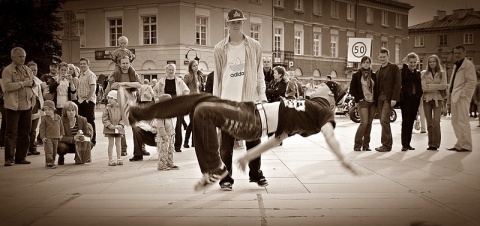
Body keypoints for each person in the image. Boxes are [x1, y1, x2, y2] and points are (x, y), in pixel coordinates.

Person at [127, 83, 358, 191]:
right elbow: (276, 140)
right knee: (199, 101)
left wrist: (343, 159)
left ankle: (214, 169)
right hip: (248, 110)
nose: (314, 86)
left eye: (319, 86)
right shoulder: (308, 110)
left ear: (329, 94)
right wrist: (249, 157)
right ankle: (138, 112)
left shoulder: (324, 111)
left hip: (252, 122)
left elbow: (330, 135)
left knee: (202, 111)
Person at [213, 8, 268, 191]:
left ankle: (255, 174)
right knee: (226, 145)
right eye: (233, 22)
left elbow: (259, 74)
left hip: (248, 101)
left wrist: (262, 97)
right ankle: (226, 179)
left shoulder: (254, 46)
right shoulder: (220, 48)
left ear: (242, 23)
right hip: (227, 102)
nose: (236, 25)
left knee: (254, 140)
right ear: (227, 24)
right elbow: (218, 78)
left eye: (239, 22)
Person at [2, 47, 36, 166]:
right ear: (13, 57)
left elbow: (33, 82)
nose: (23, 59)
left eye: (24, 57)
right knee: (11, 133)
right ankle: (9, 158)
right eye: (20, 56)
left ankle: (21, 157)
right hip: (13, 107)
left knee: (25, 132)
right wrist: (23, 84)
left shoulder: (27, 69)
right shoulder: (8, 70)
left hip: (27, 106)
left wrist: (31, 83)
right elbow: (6, 87)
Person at [105, 56, 142, 156]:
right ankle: (123, 148)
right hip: (119, 102)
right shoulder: (115, 73)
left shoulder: (133, 73)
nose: (125, 65)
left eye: (127, 63)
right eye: (123, 63)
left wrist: (123, 84)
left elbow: (139, 85)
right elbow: (113, 85)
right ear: (119, 64)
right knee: (120, 125)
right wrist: (131, 85)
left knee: (136, 125)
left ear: (130, 63)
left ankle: (140, 148)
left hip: (131, 102)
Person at [151, 63, 189, 155]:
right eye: (169, 69)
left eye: (172, 70)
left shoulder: (179, 81)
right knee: (167, 125)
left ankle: (177, 146)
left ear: (175, 71)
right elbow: (154, 91)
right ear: (166, 71)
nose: (171, 71)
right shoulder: (161, 81)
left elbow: (186, 91)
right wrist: (157, 99)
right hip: (165, 106)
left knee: (178, 126)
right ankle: (167, 143)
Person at [446, 45, 477, 152]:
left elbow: (472, 82)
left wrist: (463, 94)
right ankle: (459, 143)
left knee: (463, 121)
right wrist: (449, 97)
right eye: (455, 53)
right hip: (454, 96)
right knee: (455, 122)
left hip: (461, 97)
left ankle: (467, 145)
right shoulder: (456, 65)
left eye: (459, 53)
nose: (457, 55)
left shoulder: (468, 65)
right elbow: (453, 82)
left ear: (464, 53)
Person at [374, 48, 401, 152]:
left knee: (385, 120)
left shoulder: (394, 68)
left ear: (388, 56)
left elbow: (397, 84)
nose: (382, 59)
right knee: (382, 121)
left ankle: (386, 145)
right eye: (380, 57)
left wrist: (394, 98)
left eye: (384, 57)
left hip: (388, 98)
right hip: (379, 98)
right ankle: (386, 144)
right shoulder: (378, 71)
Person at [350, 56, 377, 152]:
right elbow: (352, 89)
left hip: (372, 102)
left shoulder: (374, 75)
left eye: (368, 62)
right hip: (363, 102)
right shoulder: (356, 75)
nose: (366, 64)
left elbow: (377, 88)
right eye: (364, 62)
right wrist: (359, 98)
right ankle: (357, 145)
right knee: (364, 123)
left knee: (369, 124)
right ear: (361, 64)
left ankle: (366, 145)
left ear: (370, 64)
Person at [421, 55, 448, 151]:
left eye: (434, 61)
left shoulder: (442, 73)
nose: (432, 63)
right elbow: (423, 87)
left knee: (436, 122)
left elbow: (444, 86)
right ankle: (430, 144)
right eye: (430, 62)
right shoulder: (424, 73)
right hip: (427, 99)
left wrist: (430, 86)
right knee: (429, 122)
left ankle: (436, 144)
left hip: (438, 99)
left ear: (437, 62)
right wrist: (437, 86)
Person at [399, 53, 423, 152]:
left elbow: (419, 86)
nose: (412, 64)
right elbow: (403, 80)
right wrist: (405, 66)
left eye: (414, 62)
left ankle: (408, 144)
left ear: (417, 62)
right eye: (410, 62)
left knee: (411, 122)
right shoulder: (403, 72)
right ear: (407, 62)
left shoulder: (418, 73)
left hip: (415, 100)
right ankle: (404, 144)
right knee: (406, 122)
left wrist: (419, 96)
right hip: (405, 100)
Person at [155, 94, 179, 171]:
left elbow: (171, 123)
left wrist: (173, 133)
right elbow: (160, 126)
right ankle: (162, 165)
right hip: (163, 137)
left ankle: (170, 163)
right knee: (163, 151)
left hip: (170, 134)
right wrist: (164, 135)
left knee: (170, 150)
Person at [183, 60, 203, 148]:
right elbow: (183, 86)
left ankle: (194, 142)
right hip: (191, 101)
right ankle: (186, 141)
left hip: (198, 101)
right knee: (192, 122)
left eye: (197, 65)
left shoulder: (199, 75)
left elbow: (200, 89)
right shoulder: (188, 75)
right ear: (190, 67)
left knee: (196, 122)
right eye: (194, 66)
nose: (196, 67)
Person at [102, 90, 125, 166]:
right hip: (110, 129)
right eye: (108, 98)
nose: (109, 100)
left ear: (116, 99)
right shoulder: (107, 108)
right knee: (111, 144)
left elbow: (124, 118)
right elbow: (105, 118)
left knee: (118, 143)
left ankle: (119, 158)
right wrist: (110, 126)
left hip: (118, 129)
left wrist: (121, 125)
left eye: (111, 98)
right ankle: (110, 159)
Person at [77, 57, 97, 146]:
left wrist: (88, 100)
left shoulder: (91, 74)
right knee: (82, 121)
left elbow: (93, 88)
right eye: (81, 64)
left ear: (88, 65)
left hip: (88, 101)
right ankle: (85, 138)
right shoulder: (80, 75)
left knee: (90, 121)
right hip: (80, 101)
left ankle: (93, 140)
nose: (82, 65)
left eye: (84, 64)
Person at [26, 61, 45, 156]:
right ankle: (26, 149)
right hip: (28, 106)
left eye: (35, 70)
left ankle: (33, 147)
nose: (34, 72)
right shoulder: (26, 80)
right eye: (31, 70)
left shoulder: (38, 81)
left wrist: (42, 106)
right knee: (27, 128)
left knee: (34, 129)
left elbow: (40, 95)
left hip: (37, 105)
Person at [39, 100, 64, 169]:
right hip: (48, 138)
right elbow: (42, 128)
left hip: (56, 137)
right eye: (45, 110)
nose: (47, 111)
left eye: (49, 109)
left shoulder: (58, 117)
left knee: (54, 151)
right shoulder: (44, 119)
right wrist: (43, 137)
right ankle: (49, 163)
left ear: (53, 109)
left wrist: (61, 134)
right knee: (49, 151)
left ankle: (52, 162)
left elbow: (61, 127)